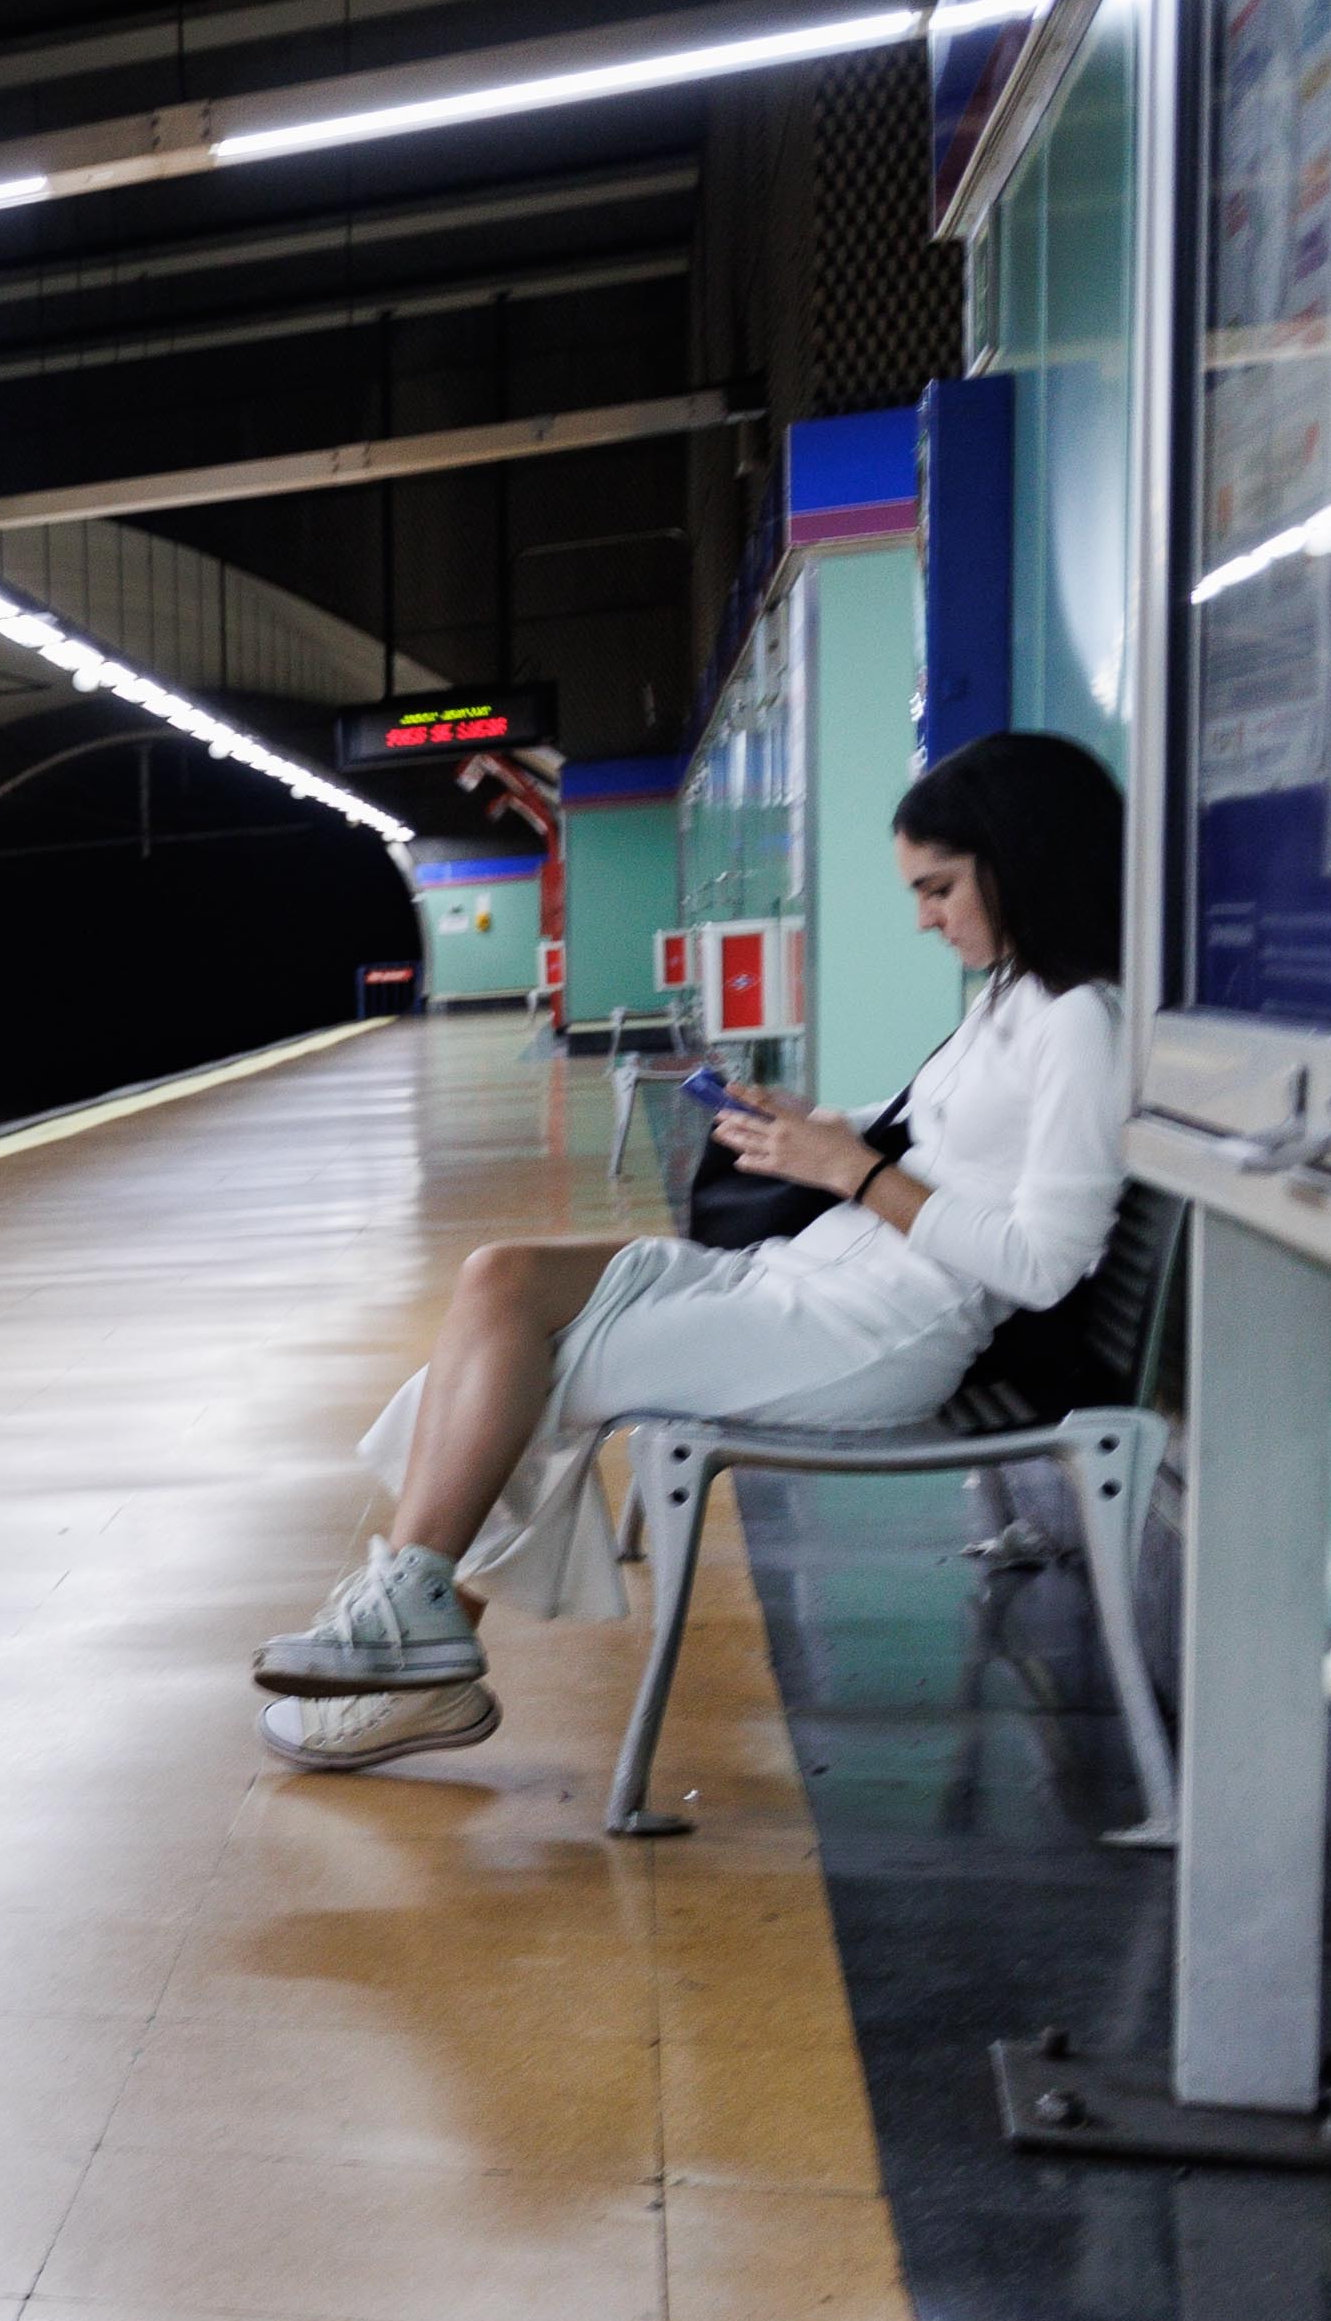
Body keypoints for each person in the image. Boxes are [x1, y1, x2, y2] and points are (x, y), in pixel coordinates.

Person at [251, 730, 1130, 1769]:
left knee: (528, 1369)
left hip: (873, 1330)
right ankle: (414, 1622)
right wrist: (811, 1126)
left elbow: (1041, 1261)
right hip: (811, 1275)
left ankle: (409, 1647)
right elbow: (939, 1148)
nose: (924, 917)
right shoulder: (1012, 998)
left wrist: (844, 1170)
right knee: (502, 1276)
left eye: (937, 888)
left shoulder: (1080, 1022)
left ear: (1018, 860)